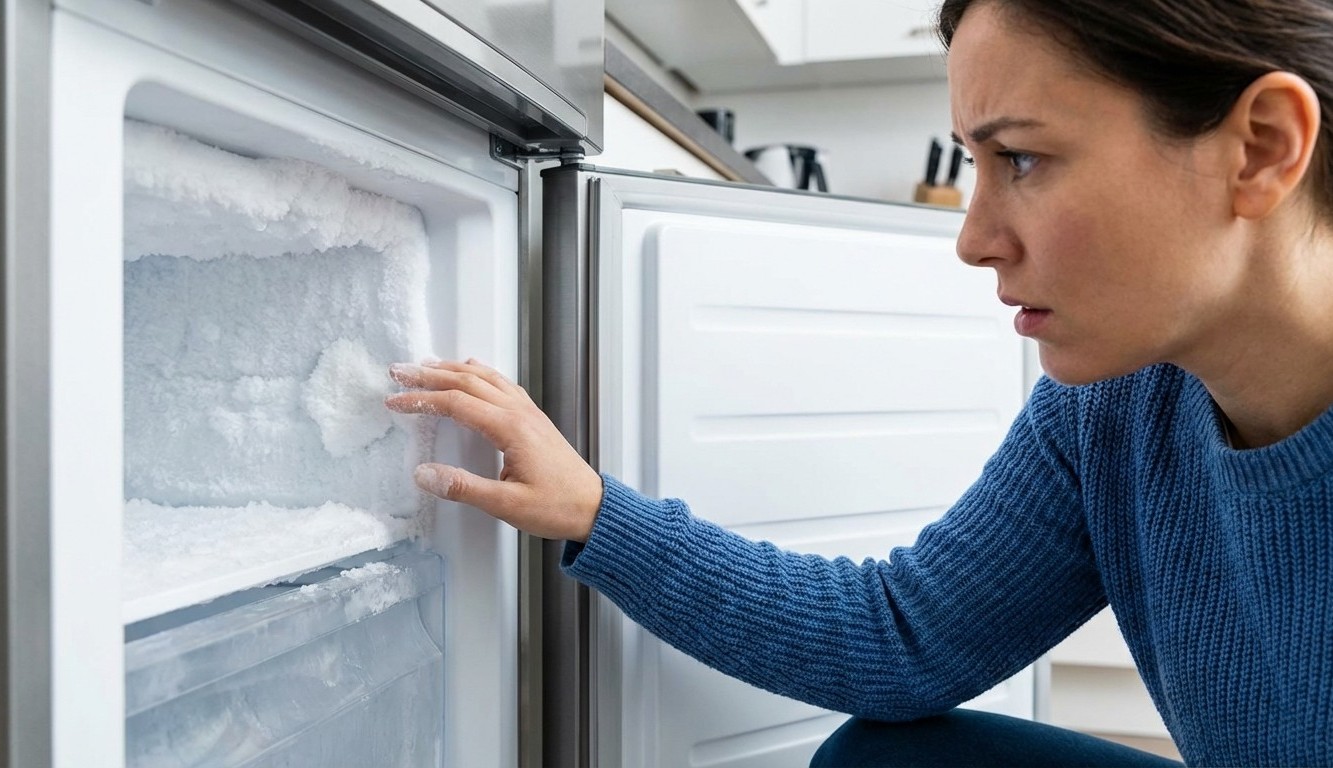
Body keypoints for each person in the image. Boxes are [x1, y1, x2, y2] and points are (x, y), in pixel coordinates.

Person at [384, 0, 1333, 764]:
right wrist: (595, 513)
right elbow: (903, 637)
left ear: (1259, 147)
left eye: (1023, 158)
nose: (972, 238)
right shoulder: (1113, 409)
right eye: (974, 162)